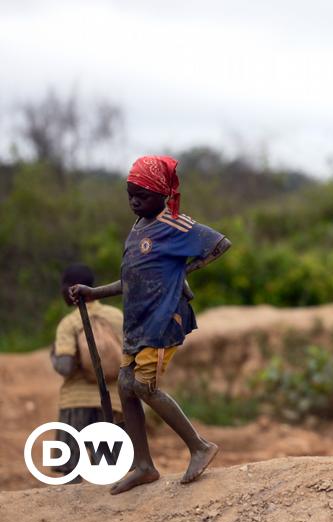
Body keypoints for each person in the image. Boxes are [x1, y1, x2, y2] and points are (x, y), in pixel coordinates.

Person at [70, 155, 231, 494]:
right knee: (126, 386)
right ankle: (143, 465)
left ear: (161, 195)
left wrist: (182, 272)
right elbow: (130, 280)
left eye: (141, 195)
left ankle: (199, 446)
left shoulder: (173, 225)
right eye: (130, 194)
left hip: (161, 322)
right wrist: (92, 292)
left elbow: (219, 244)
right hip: (136, 324)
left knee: (143, 386)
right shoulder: (136, 231)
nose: (134, 201)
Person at [51, 263, 124, 482]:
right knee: (110, 469)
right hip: (113, 402)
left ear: (70, 289)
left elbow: (64, 367)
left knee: (71, 471)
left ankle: (74, 515)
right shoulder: (116, 316)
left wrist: (53, 355)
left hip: (76, 402)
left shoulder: (69, 323)